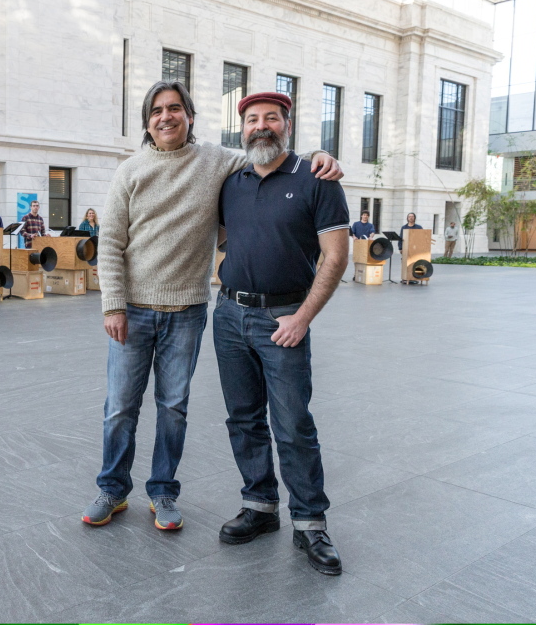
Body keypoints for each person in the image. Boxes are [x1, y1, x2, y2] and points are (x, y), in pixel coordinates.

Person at [82, 81, 342, 532]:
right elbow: (109, 243)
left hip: (188, 311)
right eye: (157, 111)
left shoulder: (218, 161)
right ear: (147, 122)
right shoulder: (130, 170)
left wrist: (320, 154)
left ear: (190, 116)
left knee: (175, 407)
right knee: (121, 406)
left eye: (175, 108)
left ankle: (164, 491)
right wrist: (112, 306)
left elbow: (271, 155)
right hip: (134, 311)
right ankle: (113, 488)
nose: (166, 117)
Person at [212, 92, 349, 576]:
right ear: (242, 128)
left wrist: (303, 317)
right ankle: (260, 506)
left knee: (292, 424)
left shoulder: (316, 178)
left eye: (271, 117)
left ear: (287, 125)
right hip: (228, 317)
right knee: (243, 418)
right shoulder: (232, 182)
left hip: (284, 319)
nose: (261, 125)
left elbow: (336, 257)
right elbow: (223, 238)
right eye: (252, 119)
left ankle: (310, 522)